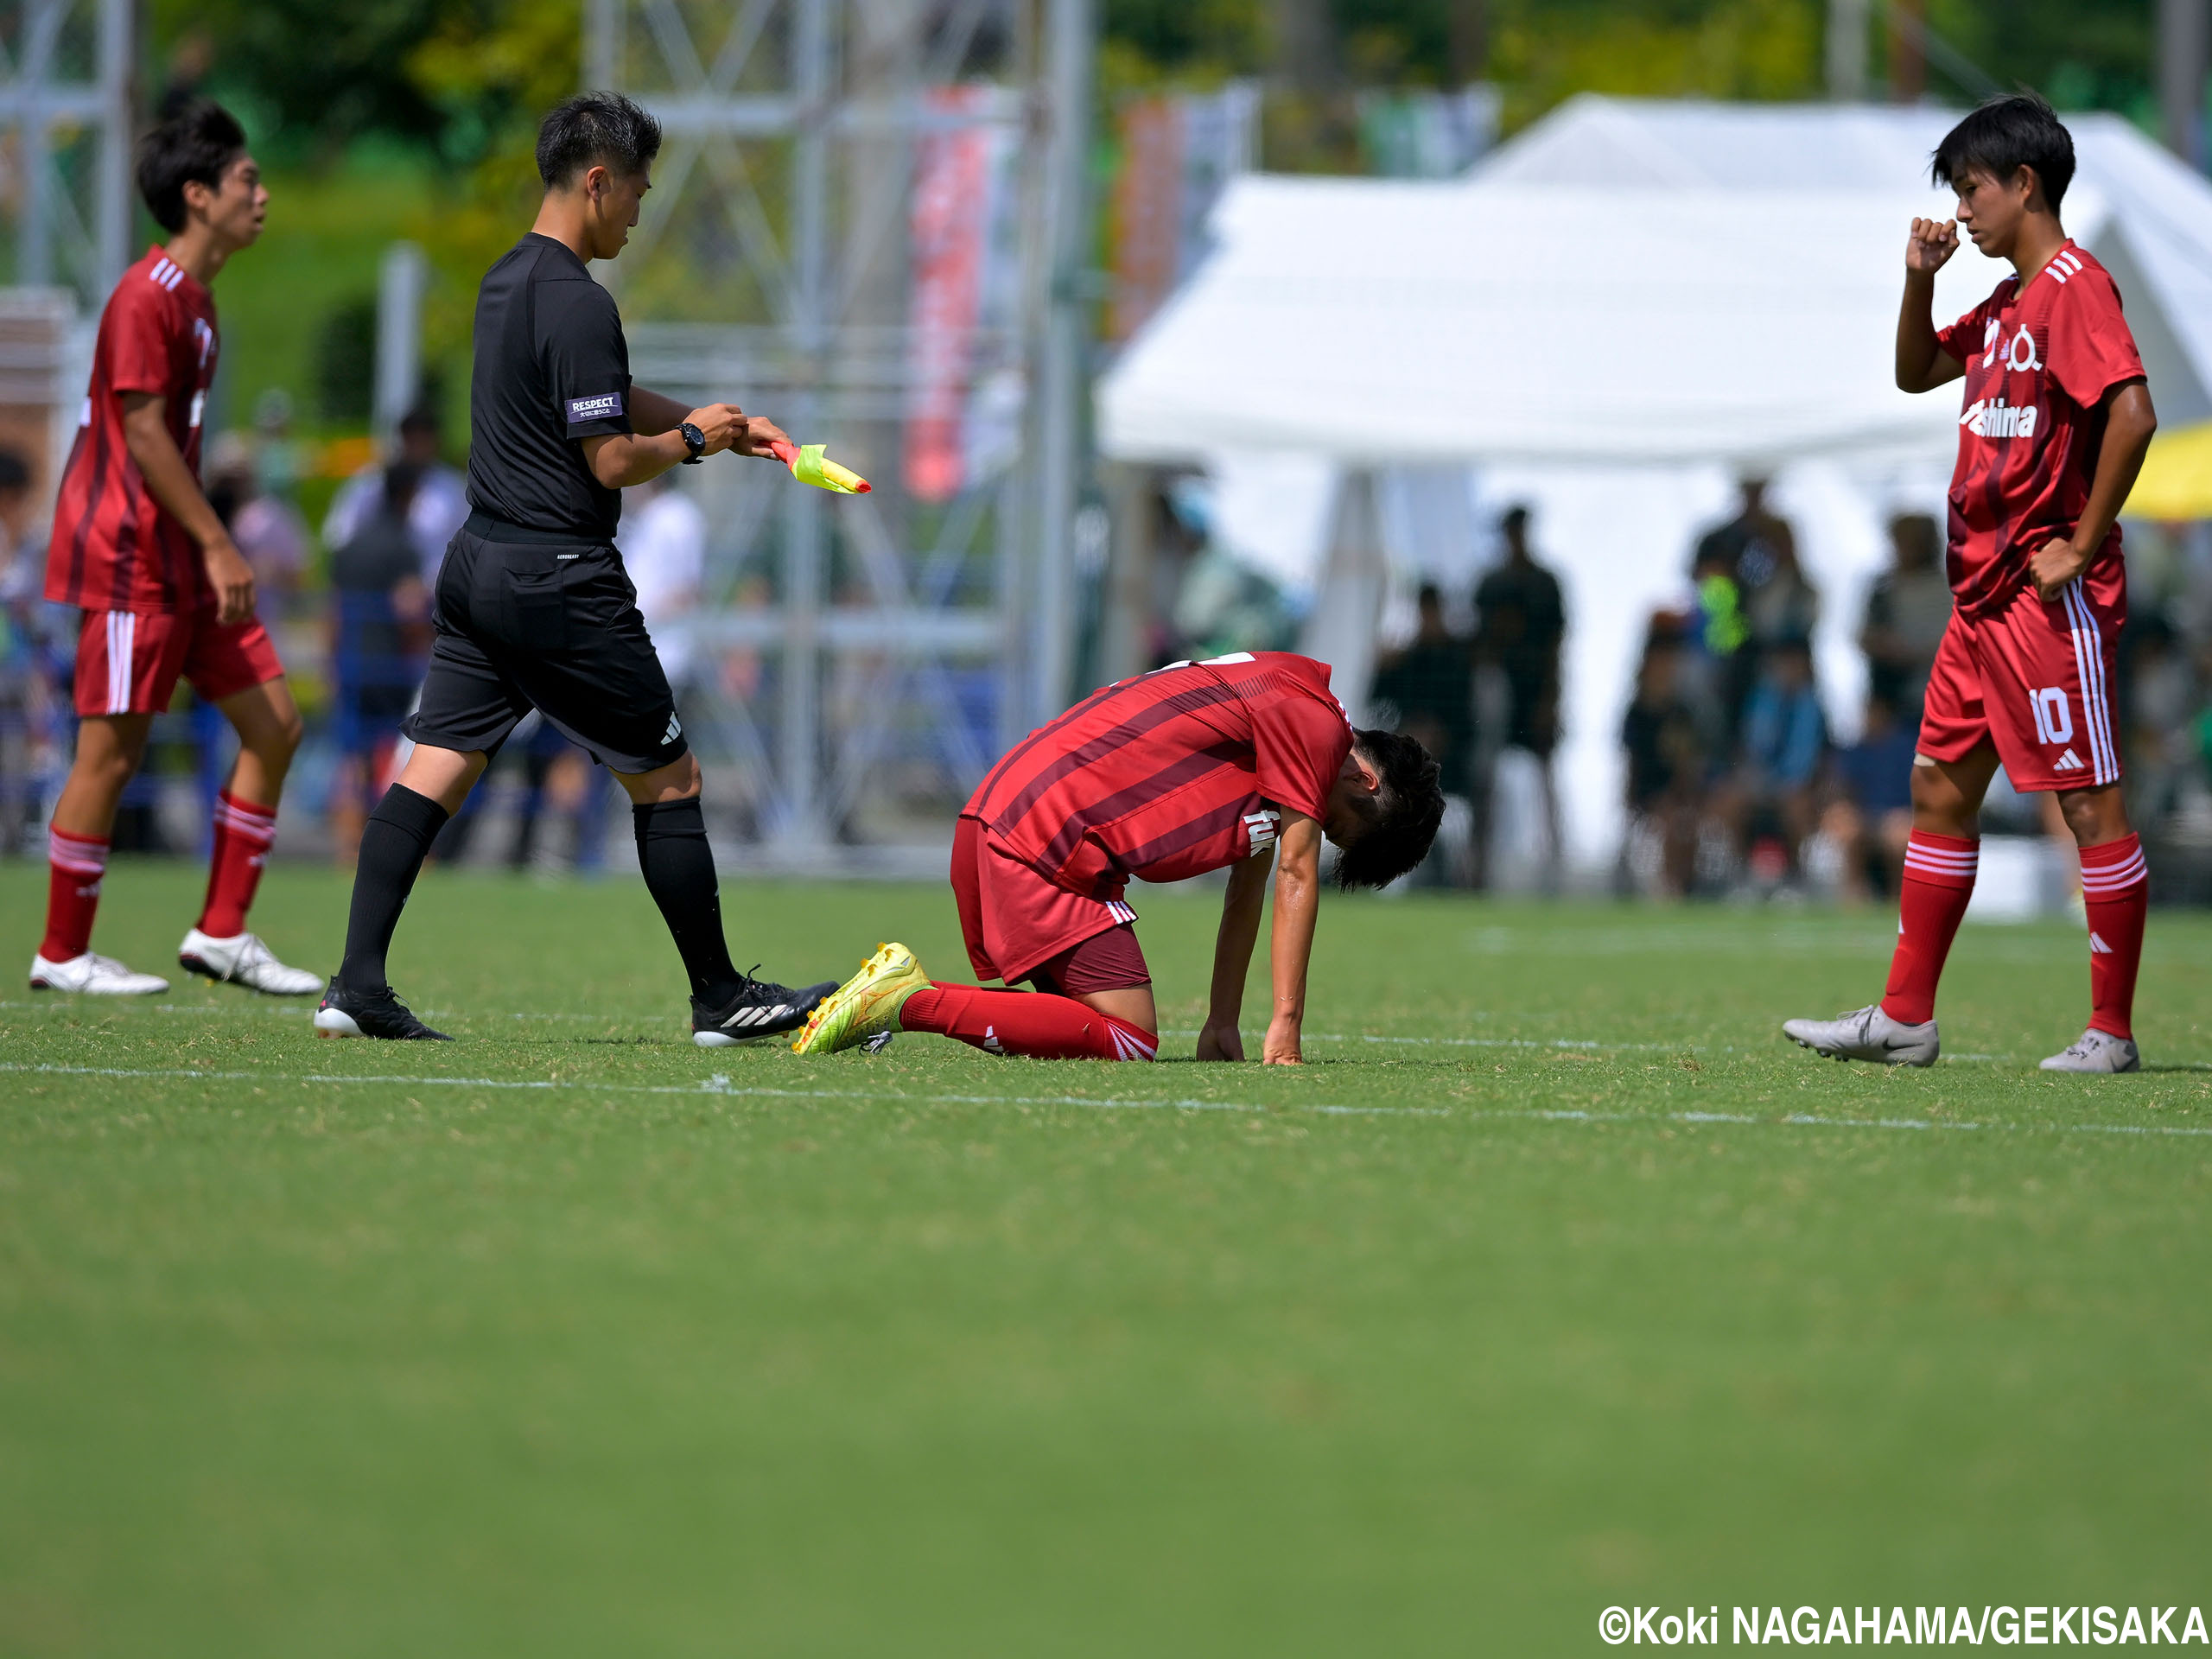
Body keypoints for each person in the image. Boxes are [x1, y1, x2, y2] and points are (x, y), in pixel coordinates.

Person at [315, 92, 835, 1043]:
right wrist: (687, 439)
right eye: (636, 191)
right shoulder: (584, 303)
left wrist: (727, 425)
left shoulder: (508, 281)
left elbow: (597, 393)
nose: (638, 211)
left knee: (436, 765)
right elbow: (607, 459)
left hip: (479, 565)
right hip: (559, 576)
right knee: (668, 781)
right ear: (597, 181)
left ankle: (354, 984)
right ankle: (721, 996)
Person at [1784, 93, 2158, 1073]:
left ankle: (2110, 1033)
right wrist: (1918, 281)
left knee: (2088, 807)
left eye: (1972, 187)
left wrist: (2078, 545)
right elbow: (1915, 374)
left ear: (2025, 184)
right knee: (1937, 790)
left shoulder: (2074, 285)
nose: (1963, 208)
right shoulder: (2005, 304)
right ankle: (1905, 1018)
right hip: (1979, 600)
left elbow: (2132, 415)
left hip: (2043, 600)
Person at [791, 652, 1444, 1065]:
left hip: (1010, 823)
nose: (1316, 830)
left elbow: (1248, 889)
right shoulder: (1313, 727)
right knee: (1129, 1038)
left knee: (1089, 1029)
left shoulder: (1284, 708)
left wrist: (1222, 1023)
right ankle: (908, 1003)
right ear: (1368, 781)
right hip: (1040, 844)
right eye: (1337, 825)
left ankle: (899, 1002)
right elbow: (1296, 875)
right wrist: (1286, 1030)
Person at [29, 102, 320, 998]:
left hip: (180, 564)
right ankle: (63, 953)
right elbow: (144, 436)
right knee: (109, 757)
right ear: (197, 196)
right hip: (129, 563)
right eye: (246, 182)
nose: (261, 197)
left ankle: (222, 934)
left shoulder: (197, 301)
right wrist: (221, 544)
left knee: (275, 724)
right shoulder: (143, 296)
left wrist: (207, 552)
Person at [327, 462, 430, 862]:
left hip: (351, 660)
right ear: (407, 495)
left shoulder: (351, 545)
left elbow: (332, 611)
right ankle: (388, 845)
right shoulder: (401, 545)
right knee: (395, 754)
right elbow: (409, 608)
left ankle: (348, 845)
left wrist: (331, 663)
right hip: (390, 666)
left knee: (351, 755)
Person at [1472, 505, 1565, 884]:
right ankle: (1480, 866)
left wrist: (1552, 698)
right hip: (1500, 691)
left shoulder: (1545, 582)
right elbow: (1480, 644)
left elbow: (1557, 645)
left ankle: (1555, 863)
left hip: (1536, 689)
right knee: (1488, 780)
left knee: (1546, 779)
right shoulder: (1491, 584)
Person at [323, 406, 469, 590]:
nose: (417, 444)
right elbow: (340, 536)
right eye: (411, 437)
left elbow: (465, 548)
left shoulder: (452, 489)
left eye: (423, 437)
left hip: (431, 594)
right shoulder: (369, 483)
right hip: (372, 588)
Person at [1821, 695, 1918, 900]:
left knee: (1899, 835)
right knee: (1844, 824)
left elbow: (1922, 790)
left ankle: (1898, 898)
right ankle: (1854, 897)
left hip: (1900, 814)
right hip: (1866, 815)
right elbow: (1842, 787)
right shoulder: (1857, 749)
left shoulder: (1907, 747)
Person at [1859, 512, 1952, 718]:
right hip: (1888, 699)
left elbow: (1953, 643)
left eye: (1911, 542)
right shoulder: (1883, 589)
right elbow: (1862, 636)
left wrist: (1910, 653)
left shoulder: (1945, 589)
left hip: (1934, 696)